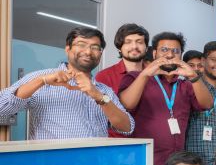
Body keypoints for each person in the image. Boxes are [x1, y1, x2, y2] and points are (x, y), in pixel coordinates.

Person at [0, 26, 134, 140]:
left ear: (100, 54)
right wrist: (42, 81)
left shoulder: (103, 90)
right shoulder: (41, 78)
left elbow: (127, 127)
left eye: (95, 47)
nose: (88, 51)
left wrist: (99, 97)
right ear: (67, 49)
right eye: (81, 45)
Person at [119, 31, 214, 165]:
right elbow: (127, 104)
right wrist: (145, 74)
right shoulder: (136, 77)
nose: (170, 55)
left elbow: (207, 104)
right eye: (164, 50)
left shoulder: (185, 85)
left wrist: (194, 77)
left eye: (175, 51)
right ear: (154, 53)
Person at [95, 23, 150, 110]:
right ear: (119, 48)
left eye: (139, 42)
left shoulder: (156, 74)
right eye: (128, 42)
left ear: (146, 47)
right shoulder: (104, 76)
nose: (134, 46)